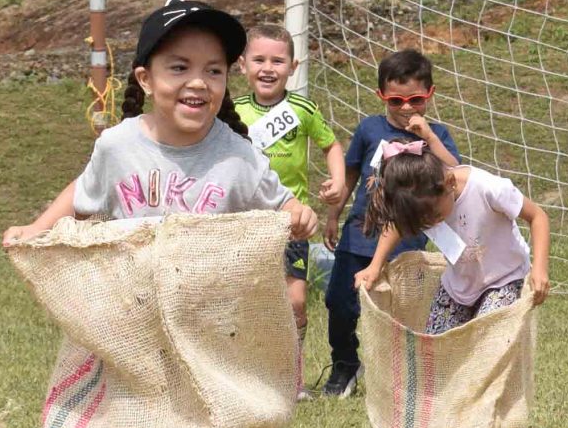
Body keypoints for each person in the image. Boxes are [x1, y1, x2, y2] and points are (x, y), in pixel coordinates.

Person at [5, 0, 316, 247]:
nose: (198, 82)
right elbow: (83, 192)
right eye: (179, 68)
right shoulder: (118, 145)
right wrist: (37, 228)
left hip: (210, 312)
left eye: (213, 70)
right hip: (133, 307)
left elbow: (283, 205)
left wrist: (298, 215)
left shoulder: (240, 156)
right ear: (146, 79)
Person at [321, 49, 460, 398]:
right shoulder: (369, 128)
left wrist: (427, 137)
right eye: (396, 100)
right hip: (359, 235)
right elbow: (351, 173)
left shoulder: (436, 135)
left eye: (415, 99)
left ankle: (400, 376)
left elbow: (455, 171)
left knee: (401, 311)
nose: (406, 108)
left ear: (429, 94)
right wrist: (334, 214)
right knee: (340, 303)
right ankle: (344, 365)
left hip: (407, 242)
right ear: (382, 95)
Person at [233, 21, 349, 365]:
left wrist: (338, 181)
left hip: (291, 224)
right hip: (245, 224)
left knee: (295, 301)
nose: (268, 69)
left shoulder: (303, 109)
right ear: (242, 65)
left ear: (293, 68)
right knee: (246, 301)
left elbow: (331, 146)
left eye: (278, 61)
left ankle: (292, 373)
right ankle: (249, 369)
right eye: (259, 60)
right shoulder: (231, 112)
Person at [353, 144, 551, 333]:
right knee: (436, 349)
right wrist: (375, 265)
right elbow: (397, 225)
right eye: (423, 222)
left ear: (450, 183)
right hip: (459, 286)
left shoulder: (488, 188)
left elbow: (538, 217)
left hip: (505, 278)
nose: (431, 223)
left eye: (435, 216)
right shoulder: (423, 202)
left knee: (486, 340)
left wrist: (540, 269)